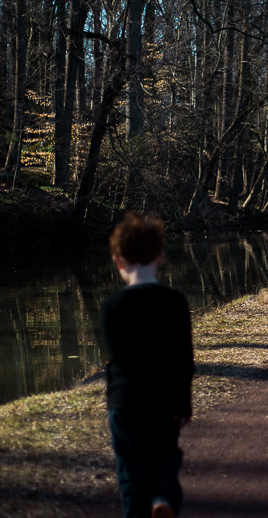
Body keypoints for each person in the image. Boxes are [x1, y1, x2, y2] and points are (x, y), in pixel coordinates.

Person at [101, 212, 194, 518]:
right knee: (165, 457)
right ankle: (163, 498)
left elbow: (119, 358)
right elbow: (184, 360)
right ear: (160, 257)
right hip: (163, 401)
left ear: (118, 261)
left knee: (129, 471)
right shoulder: (175, 301)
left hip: (124, 403)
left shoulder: (111, 306)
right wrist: (182, 405)